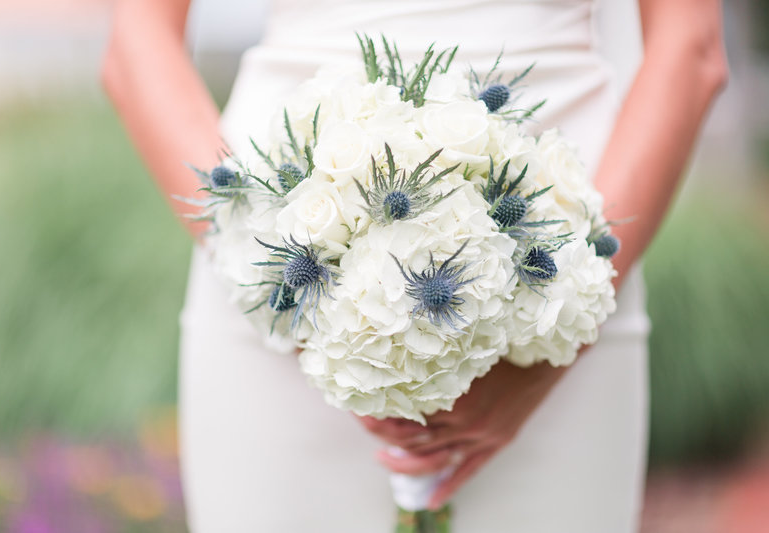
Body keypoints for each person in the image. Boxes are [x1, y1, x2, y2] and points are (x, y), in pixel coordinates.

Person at [102, 0, 727, 531]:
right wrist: (287, 294)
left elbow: (690, 47)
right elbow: (136, 44)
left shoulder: (566, 299)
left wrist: (559, 329)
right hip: (281, 240)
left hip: (564, 244)